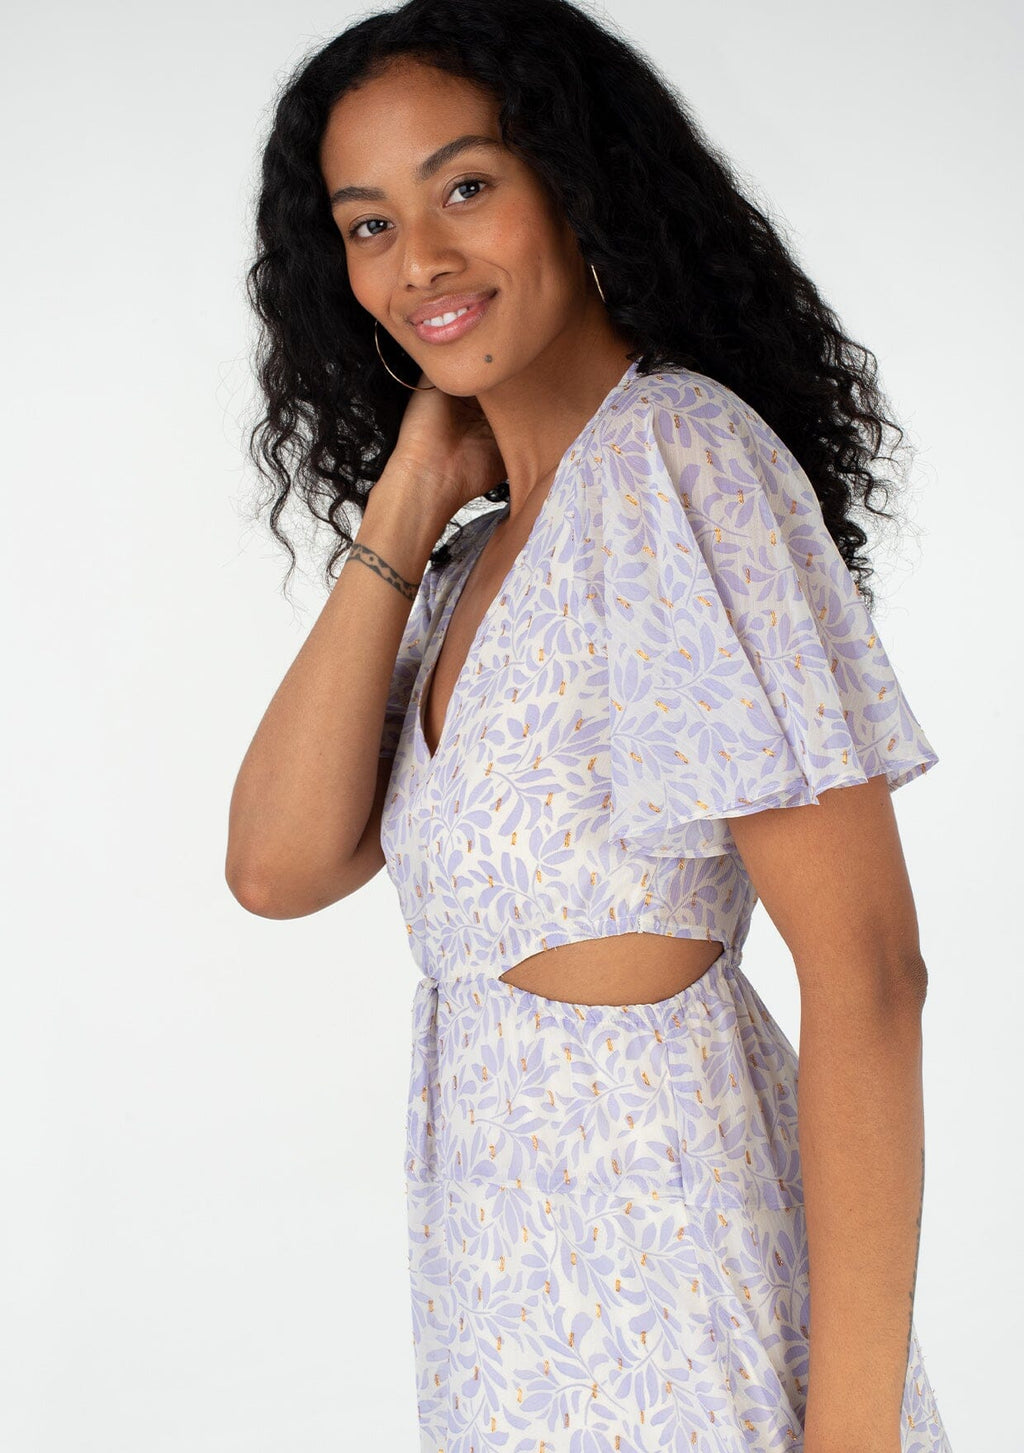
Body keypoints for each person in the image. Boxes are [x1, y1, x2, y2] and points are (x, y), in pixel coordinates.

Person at [226, 1, 953, 1447]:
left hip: (682, 1305)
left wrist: (852, 1435)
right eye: (368, 224)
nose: (419, 259)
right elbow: (277, 865)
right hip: (508, 1325)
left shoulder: (679, 462)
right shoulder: (469, 559)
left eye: (465, 186)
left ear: (575, 181)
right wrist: (408, 500)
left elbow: (870, 974)